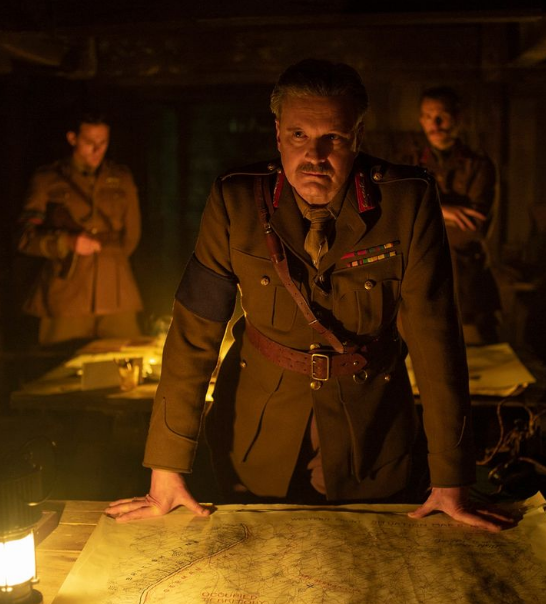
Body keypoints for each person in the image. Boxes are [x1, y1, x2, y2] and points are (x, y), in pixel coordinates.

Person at [106, 60, 510, 532]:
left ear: (357, 137)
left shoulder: (406, 201)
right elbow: (194, 332)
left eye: (332, 138)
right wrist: (166, 468)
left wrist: (451, 476)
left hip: (373, 440)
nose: (314, 155)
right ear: (278, 134)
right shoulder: (236, 201)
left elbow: (435, 340)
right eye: (299, 135)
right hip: (258, 439)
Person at [17, 112, 143, 345]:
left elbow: (131, 235)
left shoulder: (122, 178)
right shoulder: (48, 179)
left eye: (103, 142)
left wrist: (110, 261)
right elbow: (25, 237)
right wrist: (67, 242)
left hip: (115, 291)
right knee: (63, 363)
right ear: (72, 138)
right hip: (66, 293)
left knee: (125, 358)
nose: (97, 150)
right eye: (89, 142)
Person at [413, 87, 501, 345]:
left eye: (442, 115)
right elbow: (397, 217)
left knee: (479, 357)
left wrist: (422, 212)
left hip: (467, 286)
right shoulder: (408, 164)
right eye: (428, 116)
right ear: (421, 120)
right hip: (420, 284)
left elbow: (473, 227)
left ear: (458, 118)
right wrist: (444, 210)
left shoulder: (479, 165)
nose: (435, 123)